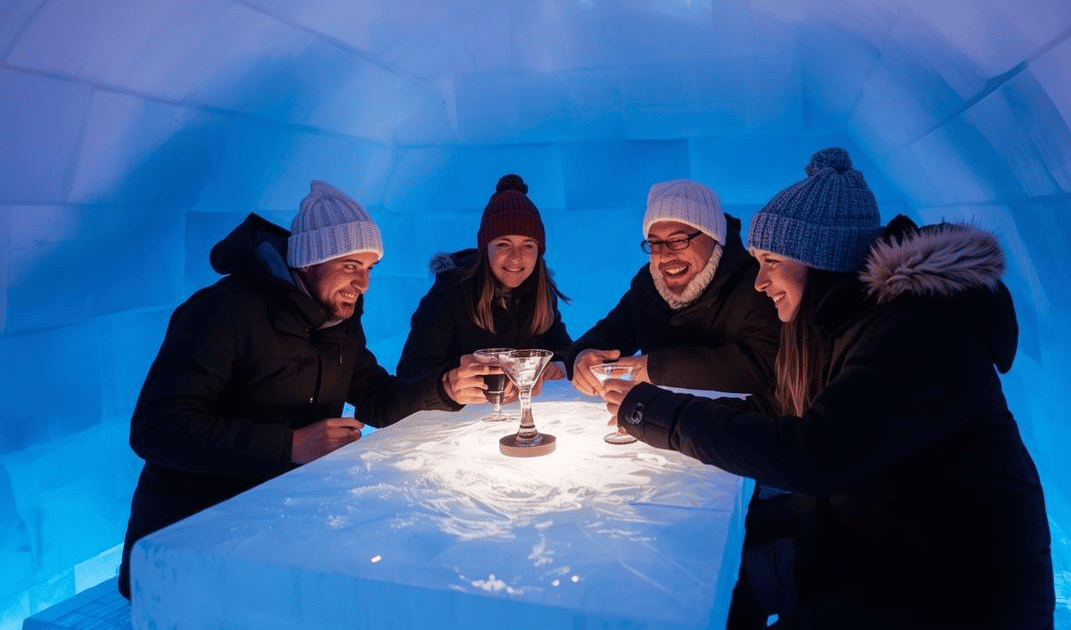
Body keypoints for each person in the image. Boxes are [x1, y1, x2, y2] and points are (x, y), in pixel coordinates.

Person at [598, 148, 1055, 629]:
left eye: (771, 260)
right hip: (878, 547)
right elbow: (778, 407)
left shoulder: (916, 333)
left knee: (728, 575)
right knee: (716, 563)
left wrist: (659, 414)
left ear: (820, 260)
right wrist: (656, 415)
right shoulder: (842, 324)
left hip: (960, 594)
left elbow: (811, 456)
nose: (759, 282)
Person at [118, 181, 453, 599]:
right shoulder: (220, 312)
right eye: (351, 265)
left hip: (272, 529)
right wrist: (290, 446)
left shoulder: (339, 322)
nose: (363, 282)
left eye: (370, 268)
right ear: (309, 260)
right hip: (187, 545)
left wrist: (446, 387)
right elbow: (157, 429)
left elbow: (378, 399)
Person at [569, 179, 779, 400]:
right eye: (654, 243)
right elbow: (609, 333)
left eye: (678, 240)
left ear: (713, 236)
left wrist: (652, 368)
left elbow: (764, 366)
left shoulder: (757, 283)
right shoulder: (647, 285)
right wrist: (583, 356)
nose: (665, 255)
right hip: (657, 417)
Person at [395, 174, 572, 406]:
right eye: (503, 244)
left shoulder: (540, 294)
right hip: (458, 420)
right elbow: (410, 375)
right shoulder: (449, 293)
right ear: (485, 248)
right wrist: (451, 383)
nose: (516, 257)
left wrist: (553, 367)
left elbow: (564, 351)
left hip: (519, 415)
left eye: (528, 245)